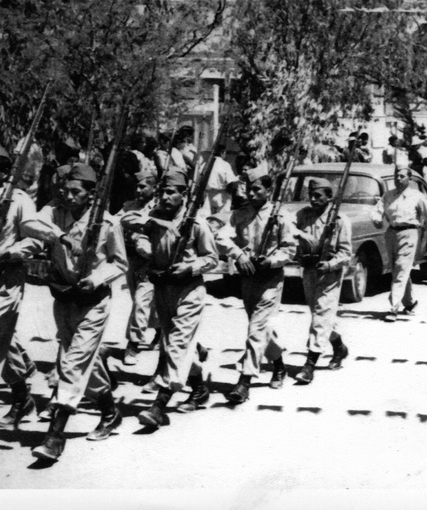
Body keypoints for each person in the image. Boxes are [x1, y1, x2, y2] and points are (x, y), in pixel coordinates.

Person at [23, 163, 128, 461]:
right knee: (85, 364)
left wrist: (95, 278)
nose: (69, 196)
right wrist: (59, 236)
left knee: (71, 365)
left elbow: (120, 263)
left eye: (76, 192)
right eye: (66, 190)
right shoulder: (54, 213)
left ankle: (55, 436)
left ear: (91, 194)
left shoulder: (107, 223)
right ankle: (110, 411)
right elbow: (29, 223)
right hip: (64, 299)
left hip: (93, 302)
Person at [121, 167, 218, 426]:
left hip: (188, 290)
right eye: (162, 191)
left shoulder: (195, 222)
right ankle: (198, 389)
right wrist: (148, 248)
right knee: (174, 345)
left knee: (176, 345)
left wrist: (190, 266)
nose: (164, 197)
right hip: (162, 288)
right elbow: (132, 226)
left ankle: (159, 405)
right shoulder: (152, 216)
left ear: (184, 195)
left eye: (170, 192)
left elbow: (212, 259)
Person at [215, 165, 296, 403]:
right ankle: (279, 365)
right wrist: (238, 254)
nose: (251, 195)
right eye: (249, 190)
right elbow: (221, 237)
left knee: (256, 329)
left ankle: (244, 381)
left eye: (257, 190)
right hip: (247, 277)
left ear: (269, 191)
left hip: (270, 279)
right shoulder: (241, 214)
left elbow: (289, 248)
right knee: (258, 327)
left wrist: (271, 260)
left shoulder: (281, 216)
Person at [0, 146, 44, 430]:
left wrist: (10, 253)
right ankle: (22, 395)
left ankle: (20, 397)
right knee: (3, 338)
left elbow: (35, 240)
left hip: (6, 277)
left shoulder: (19, 200)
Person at [292, 178, 352, 383]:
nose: (313, 199)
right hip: (309, 270)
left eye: (318, 195)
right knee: (320, 314)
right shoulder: (302, 215)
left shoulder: (340, 220)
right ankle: (339, 347)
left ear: (329, 196)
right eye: (311, 195)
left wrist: (329, 265)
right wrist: (301, 235)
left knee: (321, 316)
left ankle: (309, 364)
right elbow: (286, 229)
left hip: (330, 273)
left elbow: (346, 253)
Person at [370, 158, 427, 321]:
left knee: (401, 268)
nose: (398, 179)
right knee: (398, 270)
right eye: (396, 175)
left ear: (409, 179)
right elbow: (377, 210)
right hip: (391, 234)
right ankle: (409, 302)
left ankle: (393, 307)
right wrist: (376, 219)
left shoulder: (417, 196)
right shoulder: (388, 195)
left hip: (410, 234)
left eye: (402, 176)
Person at [118, 170, 159, 366]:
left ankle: (133, 344)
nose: (138, 190)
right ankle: (163, 332)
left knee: (141, 304)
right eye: (137, 186)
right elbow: (117, 222)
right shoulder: (129, 206)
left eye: (143, 186)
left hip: (151, 263)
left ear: (154, 188)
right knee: (142, 302)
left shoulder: (160, 208)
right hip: (133, 261)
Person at [204, 145, 237, 214]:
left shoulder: (206, 164)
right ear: (222, 152)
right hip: (221, 194)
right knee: (221, 218)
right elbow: (231, 181)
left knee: (207, 217)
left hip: (208, 194)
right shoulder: (225, 165)